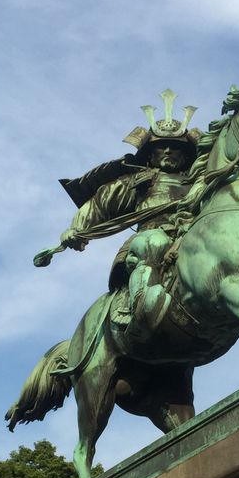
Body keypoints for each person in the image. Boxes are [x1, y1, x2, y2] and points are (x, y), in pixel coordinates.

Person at [55, 91, 200, 335]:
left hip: (190, 239)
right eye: (160, 147)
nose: (167, 151)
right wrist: (77, 229)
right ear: (149, 153)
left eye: (174, 148)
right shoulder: (138, 181)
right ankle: (140, 310)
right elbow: (100, 204)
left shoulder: (199, 182)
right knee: (153, 242)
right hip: (151, 241)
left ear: (185, 154)